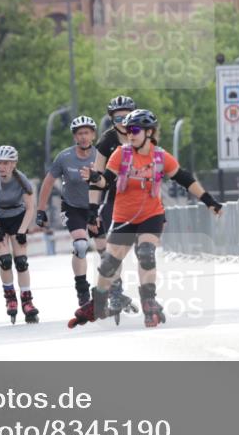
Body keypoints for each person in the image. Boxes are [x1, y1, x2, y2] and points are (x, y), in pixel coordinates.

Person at [72, 109, 223, 328]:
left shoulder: (160, 156)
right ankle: (99, 299)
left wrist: (209, 201)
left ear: (149, 132)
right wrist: (95, 177)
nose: (130, 134)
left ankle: (149, 301)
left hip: (151, 215)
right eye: (127, 130)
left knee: (146, 253)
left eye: (135, 130)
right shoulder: (121, 154)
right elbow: (106, 181)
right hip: (123, 216)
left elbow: (184, 178)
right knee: (109, 265)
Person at [37, 115, 99, 308]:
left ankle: (114, 288)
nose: (83, 137)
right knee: (81, 245)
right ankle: (82, 290)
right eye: (79, 134)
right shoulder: (64, 157)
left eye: (87, 133)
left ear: (93, 135)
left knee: (107, 249)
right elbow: (48, 183)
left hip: (95, 206)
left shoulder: (100, 156)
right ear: (74, 137)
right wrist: (40, 210)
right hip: (72, 207)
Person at [84, 95, 137, 312]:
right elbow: (96, 178)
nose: (123, 122)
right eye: (117, 119)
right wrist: (92, 209)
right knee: (106, 248)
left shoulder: (144, 134)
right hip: (115, 199)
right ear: (111, 120)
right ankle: (116, 291)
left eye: (127, 117)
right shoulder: (107, 141)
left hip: (141, 200)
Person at [0, 145, 38, 323]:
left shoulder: (22, 180)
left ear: (13, 163)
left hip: (18, 217)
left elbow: (30, 208)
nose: (1, 167)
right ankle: (10, 298)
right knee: (5, 262)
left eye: (5, 163)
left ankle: (27, 301)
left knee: (21, 262)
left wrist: (22, 231)